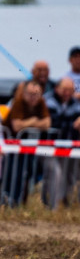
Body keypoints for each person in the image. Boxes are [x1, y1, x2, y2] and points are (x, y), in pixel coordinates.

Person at [3, 80, 51, 207]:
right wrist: (34, 121)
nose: (33, 97)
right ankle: (8, 200)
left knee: (28, 174)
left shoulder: (41, 103)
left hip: (26, 148)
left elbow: (47, 123)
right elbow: (17, 126)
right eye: (30, 94)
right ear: (24, 93)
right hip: (11, 147)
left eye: (36, 94)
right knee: (13, 174)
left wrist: (29, 124)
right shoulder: (18, 103)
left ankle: (20, 202)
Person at [44, 78, 80, 209]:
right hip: (49, 147)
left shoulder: (75, 103)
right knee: (56, 173)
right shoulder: (49, 101)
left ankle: (66, 205)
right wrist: (73, 124)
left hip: (68, 147)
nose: (68, 93)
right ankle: (53, 207)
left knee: (69, 175)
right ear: (57, 89)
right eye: (65, 90)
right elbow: (55, 123)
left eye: (71, 90)